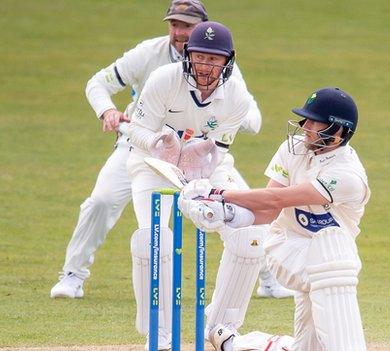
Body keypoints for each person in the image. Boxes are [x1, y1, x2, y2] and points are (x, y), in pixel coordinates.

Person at [50, 0, 291, 300]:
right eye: (174, 24)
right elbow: (98, 83)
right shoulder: (148, 54)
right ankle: (73, 276)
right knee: (102, 200)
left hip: (198, 153)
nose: (179, 32)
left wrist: (218, 122)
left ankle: (270, 279)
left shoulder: (222, 64)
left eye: (187, 25)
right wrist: (107, 111)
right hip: (141, 146)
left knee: (244, 211)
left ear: (202, 28)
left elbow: (249, 118)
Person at [125, 21, 282, 350]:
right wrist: (157, 141)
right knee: (155, 239)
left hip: (206, 165)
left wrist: (199, 169)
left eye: (214, 59)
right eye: (199, 57)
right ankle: (161, 336)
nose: (206, 66)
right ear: (188, 54)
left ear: (228, 60)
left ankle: (220, 329)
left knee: (251, 234)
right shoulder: (163, 80)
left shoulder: (236, 97)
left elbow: (218, 149)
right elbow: (136, 131)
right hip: (151, 162)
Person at [179, 87, 371, 351]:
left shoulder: (347, 175)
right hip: (288, 246)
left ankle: (233, 342)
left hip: (323, 258)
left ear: (337, 132)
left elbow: (275, 200)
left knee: (308, 346)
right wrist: (225, 212)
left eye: (315, 121)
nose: (305, 126)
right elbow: (269, 211)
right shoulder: (293, 150)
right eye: (306, 119)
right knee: (335, 256)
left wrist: (220, 195)